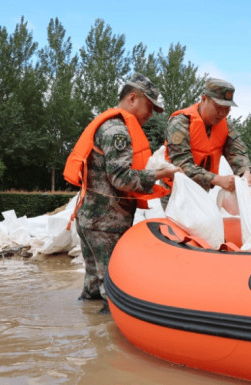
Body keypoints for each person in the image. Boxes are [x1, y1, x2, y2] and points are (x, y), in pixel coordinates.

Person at [63, 73, 181, 313]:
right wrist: (159, 174)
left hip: (90, 219)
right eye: (149, 106)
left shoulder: (107, 124)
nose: (151, 114)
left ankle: (85, 331)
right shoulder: (118, 131)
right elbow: (121, 179)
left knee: (93, 287)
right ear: (132, 98)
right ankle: (107, 344)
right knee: (112, 293)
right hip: (106, 224)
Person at [162, 78, 251, 207]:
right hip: (175, 192)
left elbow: (237, 151)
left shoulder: (225, 126)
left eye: (227, 109)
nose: (222, 113)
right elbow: (181, 164)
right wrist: (218, 180)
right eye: (218, 107)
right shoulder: (181, 122)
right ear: (204, 99)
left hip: (201, 192)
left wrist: (245, 172)